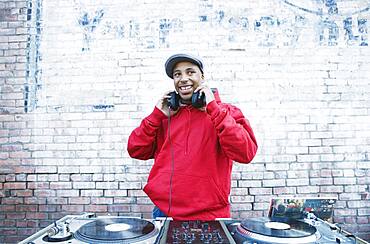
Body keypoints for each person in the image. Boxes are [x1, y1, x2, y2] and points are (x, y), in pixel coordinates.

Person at [127, 53, 258, 220]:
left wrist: (214, 110)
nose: (183, 79)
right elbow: (136, 150)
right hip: (165, 213)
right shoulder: (164, 115)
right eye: (177, 74)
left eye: (190, 72)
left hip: (211, 214)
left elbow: (246, 153)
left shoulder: (226, 112)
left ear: (202, 77)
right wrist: (155, 116)